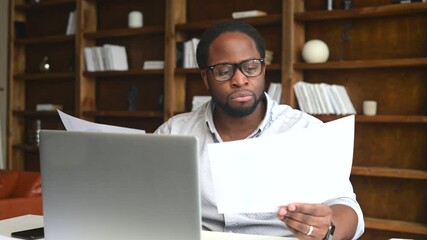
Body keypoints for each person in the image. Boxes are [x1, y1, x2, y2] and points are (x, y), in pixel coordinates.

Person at [155, 20, 364, 239]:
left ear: (263, 69)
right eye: (224, 71)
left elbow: (347, 206)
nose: (239, 80)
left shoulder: (305, 130)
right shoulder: (173, 133)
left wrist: (327, 228)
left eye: (251, 67)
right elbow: (145, 199)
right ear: (206, 78)